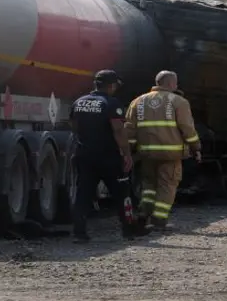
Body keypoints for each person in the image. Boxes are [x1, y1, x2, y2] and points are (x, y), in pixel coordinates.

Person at [125, 70, 201, 232]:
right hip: (170, 155)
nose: (177, 85)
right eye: (176, 82)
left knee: (149, 186)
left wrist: (129, 151)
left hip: (146, 154)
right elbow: (187, 129)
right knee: (167, 186)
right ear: (171, 83)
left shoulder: (138, 101)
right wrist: (196, 148)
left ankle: (143, 213)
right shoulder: (179, 101)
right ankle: (159, 221)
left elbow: (129, 130)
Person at [68, 69, 138, 243]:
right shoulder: (112, 103)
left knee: (83, 195)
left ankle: (79, 233)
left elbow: (74, 126)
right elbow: (118, 130)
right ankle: (128, 231)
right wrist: (126, 154)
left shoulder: (79, 102)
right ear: (112, 85)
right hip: (108, 157)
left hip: (84, 154)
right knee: (122, 193)